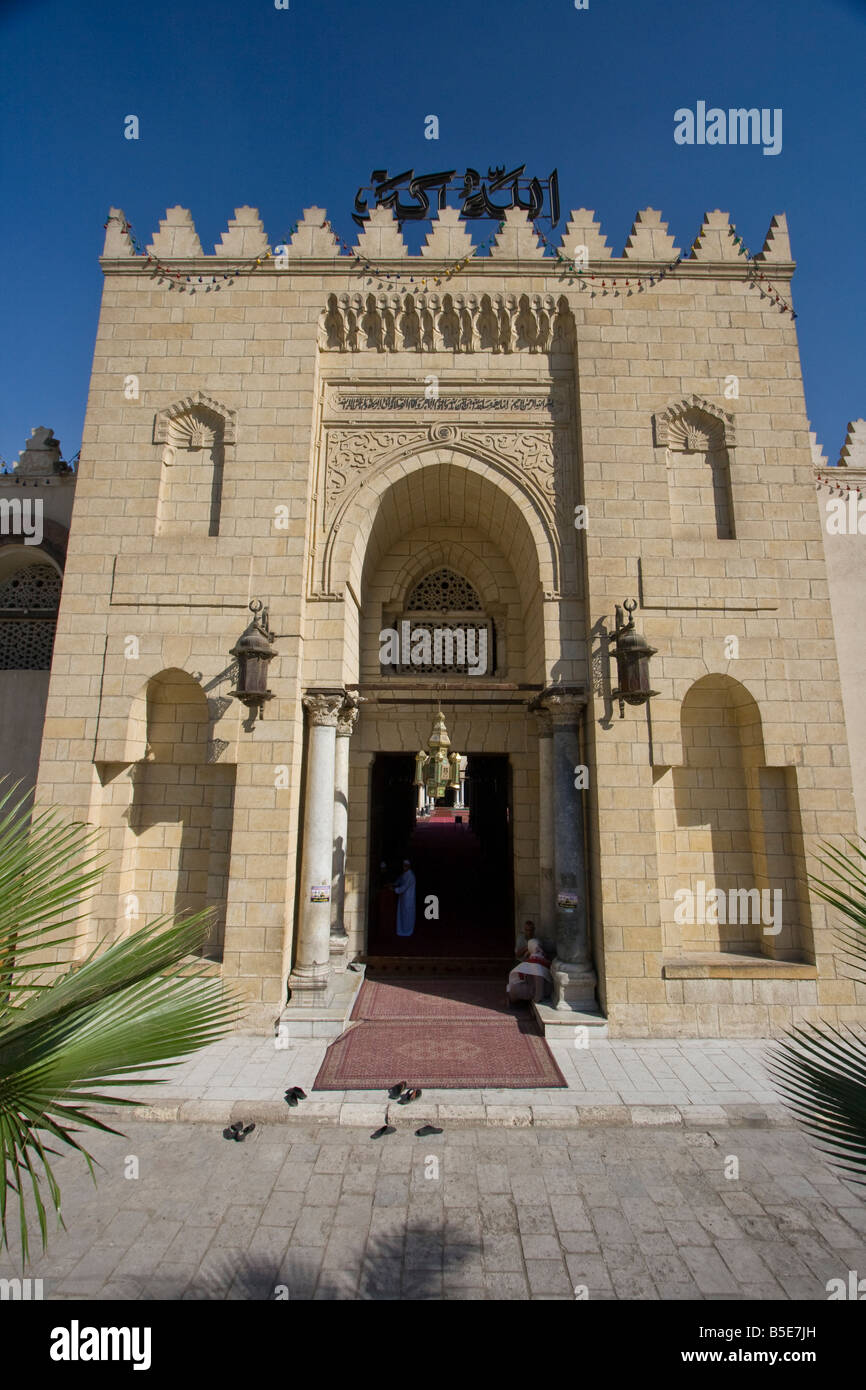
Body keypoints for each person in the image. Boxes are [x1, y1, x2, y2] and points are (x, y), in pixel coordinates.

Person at [506, 937, 552, 1005]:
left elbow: (538, 980)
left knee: (513, 989)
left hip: (541, 990)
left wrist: (537, 998)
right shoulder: (538, 958)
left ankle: (513, 1002)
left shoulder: (536, 962)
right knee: (514, 987)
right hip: (538, 989)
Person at [392, 859, 417, 938]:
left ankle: (407, 932)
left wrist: (394, 889)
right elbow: (399, 881)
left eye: (406, 865)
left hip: (408, 900)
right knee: (402, 916)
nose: (404, 867)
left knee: (408, 917)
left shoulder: (411, 876)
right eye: (404, 865)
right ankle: (402, 931)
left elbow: (404, 887)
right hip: (403, 899)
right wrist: (393, 884)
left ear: (409, 866)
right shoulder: (404, 874)